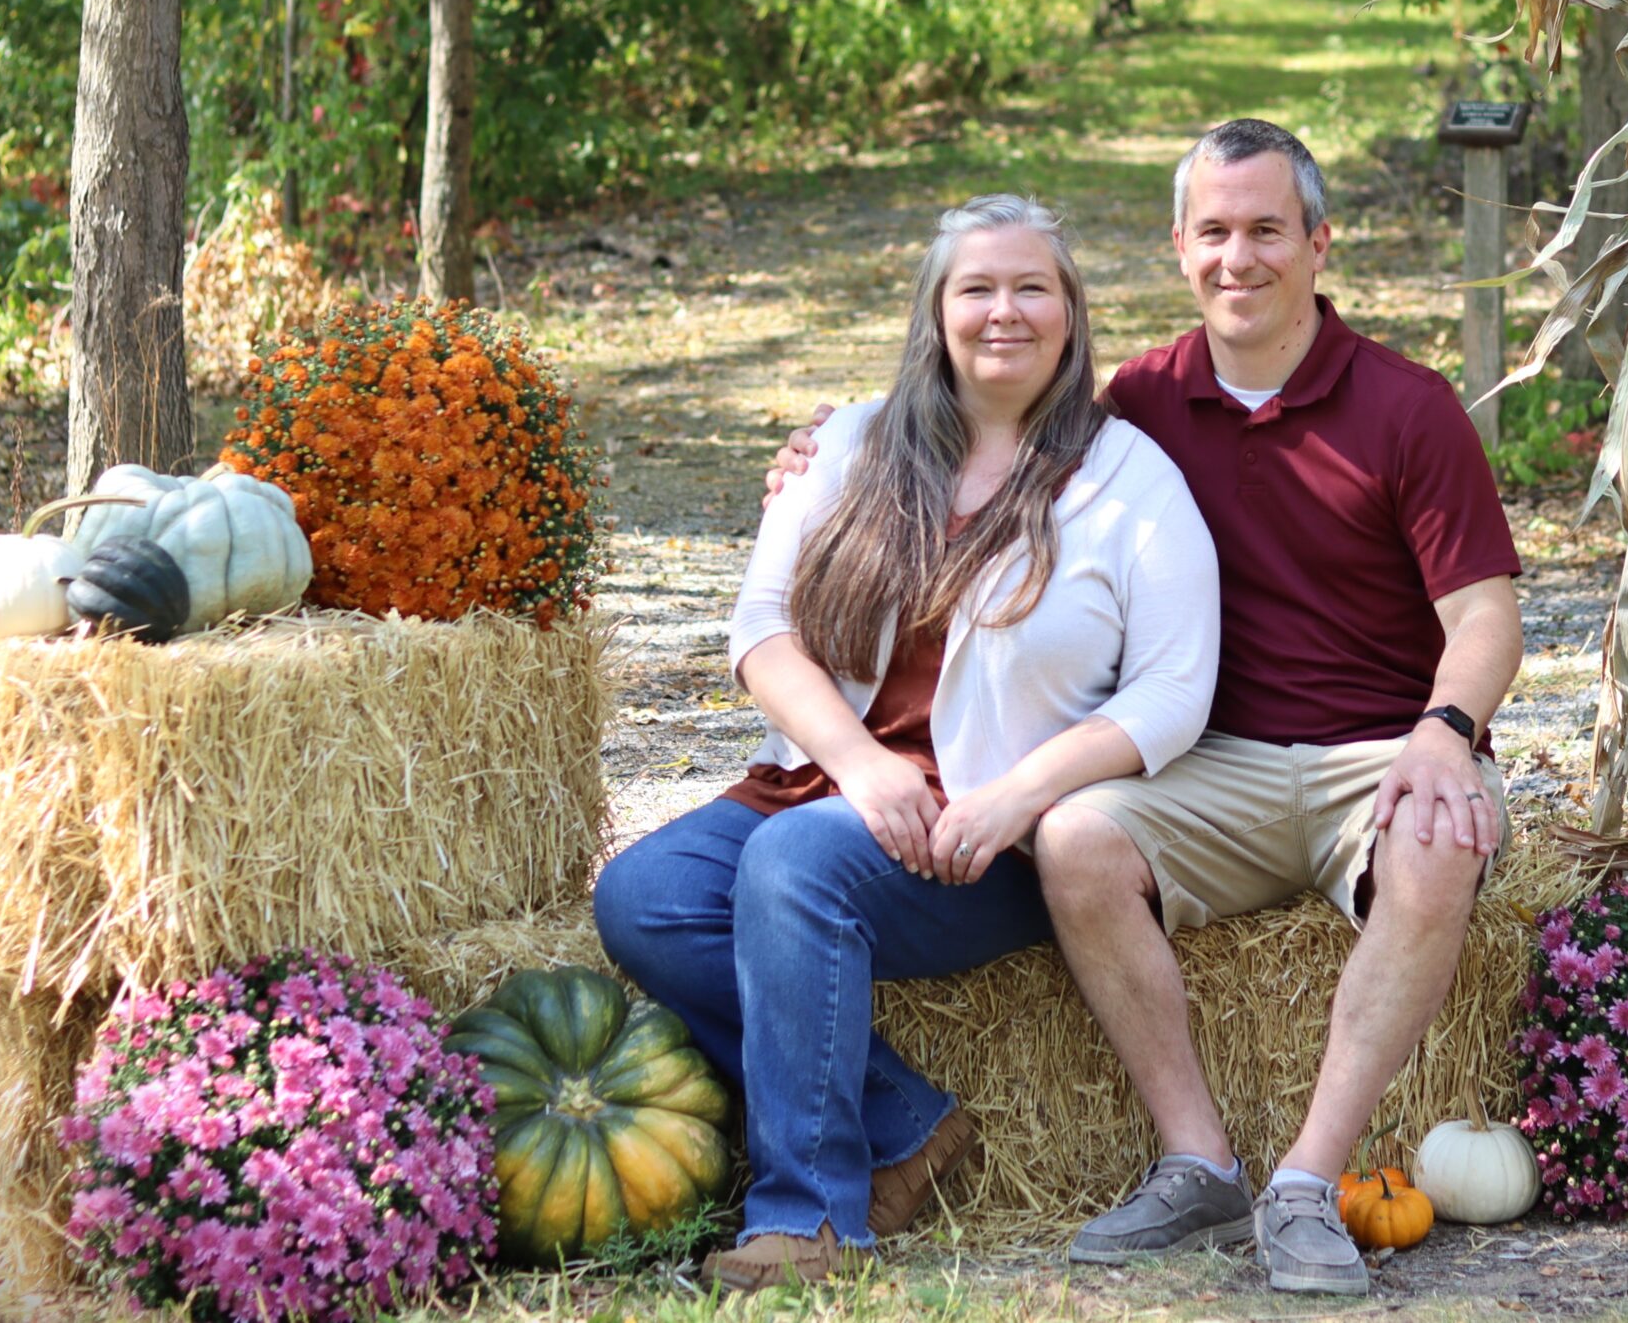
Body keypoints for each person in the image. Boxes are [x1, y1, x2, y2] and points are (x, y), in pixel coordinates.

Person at [770, 119, 1525, 1294]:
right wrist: (823, 452)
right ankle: (1199, 1164)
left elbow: (1485, 616)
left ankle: (1305, 1187)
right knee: (1073, 833)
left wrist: (1446, 734)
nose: (1239, 257)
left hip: (1375, 754)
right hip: (1204, 763)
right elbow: (978, 422)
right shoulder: (1143, 406)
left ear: (1319, 242)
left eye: (1267, 229)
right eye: (1213, 232)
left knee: (1438, 838)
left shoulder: (1408, 407)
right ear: (1179, 247)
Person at [597, 194, 1220, 1292]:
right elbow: (762, 630)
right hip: (835, 788)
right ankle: (906, 1122)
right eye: (975, 288)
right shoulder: (848, 443)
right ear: (934, 313)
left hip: (996, 838)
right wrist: (859, 763)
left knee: (796, 867)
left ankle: (810, 1221)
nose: (1003, 312)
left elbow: (1176, 692)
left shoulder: (1129, 481)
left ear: (1072, 315)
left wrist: (1020, 796)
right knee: (643, 897)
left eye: (1032, 287)